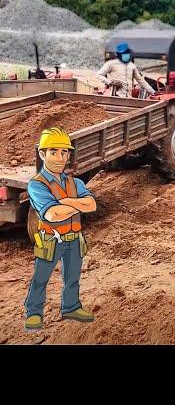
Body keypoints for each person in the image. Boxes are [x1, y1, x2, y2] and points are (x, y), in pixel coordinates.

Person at [24, 127, 97, 330]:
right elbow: (52, 214)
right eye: (53, 152)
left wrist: (64, 201)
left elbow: (91, 205)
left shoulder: (76, 182)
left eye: (64, 152)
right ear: (42, 154)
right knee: (41, 277)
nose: (59, 158)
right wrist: (76, 203)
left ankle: (71, 307)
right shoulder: (37, 185)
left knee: (72, 276)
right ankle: (34, 313)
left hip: (74, 239)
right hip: (51, 240)